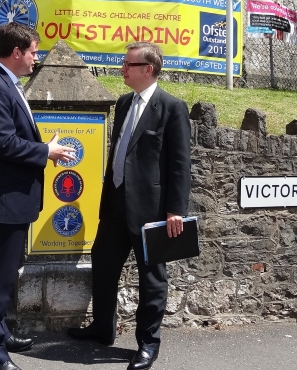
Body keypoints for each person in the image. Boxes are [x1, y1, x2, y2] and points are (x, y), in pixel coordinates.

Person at [68, 41, 191, 370]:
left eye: (128, 65)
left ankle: (148, 344)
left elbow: (180, 165)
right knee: (103, 265)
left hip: (152, 213)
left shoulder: (171, 108)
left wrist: (175, 210)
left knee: (152, 280)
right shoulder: (123, 103)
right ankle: (102, 328)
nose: (122, 69)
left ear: (147, 70)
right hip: (115, 206)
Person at [0, 22, 75, 370]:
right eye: (32, 52)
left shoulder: (5, 84)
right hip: (3, 202)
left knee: (6, 274)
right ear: (16, 53)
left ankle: (0, 333)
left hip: (12, 200)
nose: (35, 58)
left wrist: (44, 149)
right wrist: (47, 151)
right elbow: (3, 143)